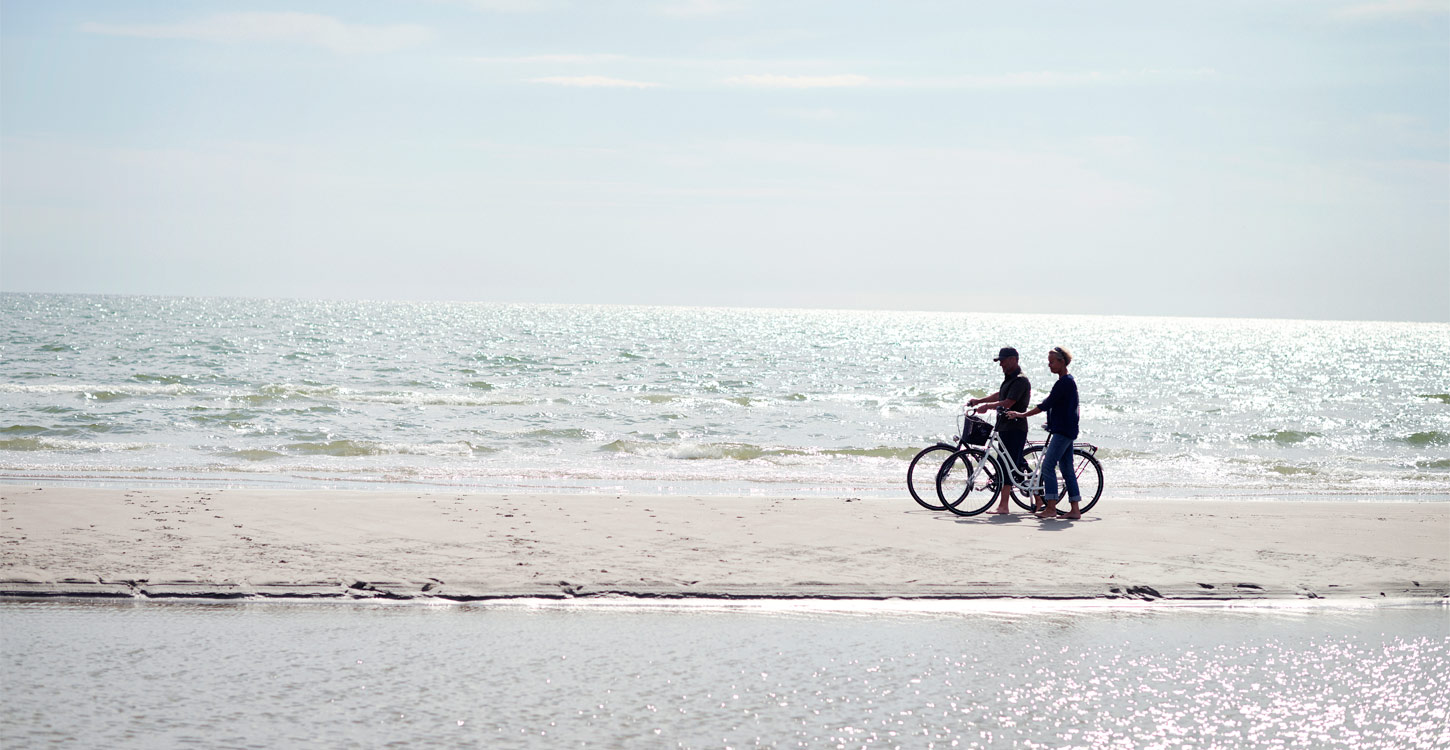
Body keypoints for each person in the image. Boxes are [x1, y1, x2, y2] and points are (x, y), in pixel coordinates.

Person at [1008, 346, 1081, 519]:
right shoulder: (1066, 381)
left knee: (1048, 466)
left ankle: (1051, 507)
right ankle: (1075, 509)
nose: (1049, 365)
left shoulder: (1065, 382)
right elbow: (1062, 407)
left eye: (1052, 362)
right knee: (1067, 469)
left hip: (1063, 432)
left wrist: (1022, 414)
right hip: (1067, 430)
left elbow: (1046, 404)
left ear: (1062, 362)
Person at [965, 347, 1033, 515]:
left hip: (1015, 428)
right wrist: (979, 401)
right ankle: (1038, 499)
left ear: (1013, 359)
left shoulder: (1020, 380)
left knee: (1006, 466)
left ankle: (1004, 506)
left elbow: (1008, 402)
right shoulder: (1009, 379)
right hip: (1004, 427)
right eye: (999, 361)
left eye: (1003, 360)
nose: (1000, 364)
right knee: (1015, 463)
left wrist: (987, 407)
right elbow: (1000, 395)